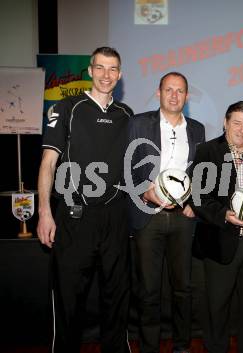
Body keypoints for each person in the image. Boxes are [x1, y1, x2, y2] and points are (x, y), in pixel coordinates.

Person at [37, 47, 133, 353]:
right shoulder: (67, 108)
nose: (107, 75)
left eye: (113, 69)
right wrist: (44, 213)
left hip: (116, 216)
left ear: (120, 74)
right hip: (75, 216)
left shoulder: (127, 115)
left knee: (117, 298)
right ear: (90, 71)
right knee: (69, 299)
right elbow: (48, 163)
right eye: (100, 68)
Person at [190, 101, 243, 353]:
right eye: (237, 123)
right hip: (220, 242)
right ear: (226, 123)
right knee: (217, 307)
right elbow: (198, 197)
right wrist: (225, 215)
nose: (242, 130)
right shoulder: (208, 151)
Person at [127, 72, 205, 353]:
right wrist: (144, 191)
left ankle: (181, 346)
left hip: (182, 220)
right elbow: (125, 168)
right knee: (149, 290)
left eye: (180, 90)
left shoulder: (197, 129)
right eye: (169, 89)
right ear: (158, 92)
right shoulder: (138, 123)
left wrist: (192, 202)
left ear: (187, 96)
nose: (174, 95)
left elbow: (198, 172)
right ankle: (149, 347)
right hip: (148, 216)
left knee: (183, 288)